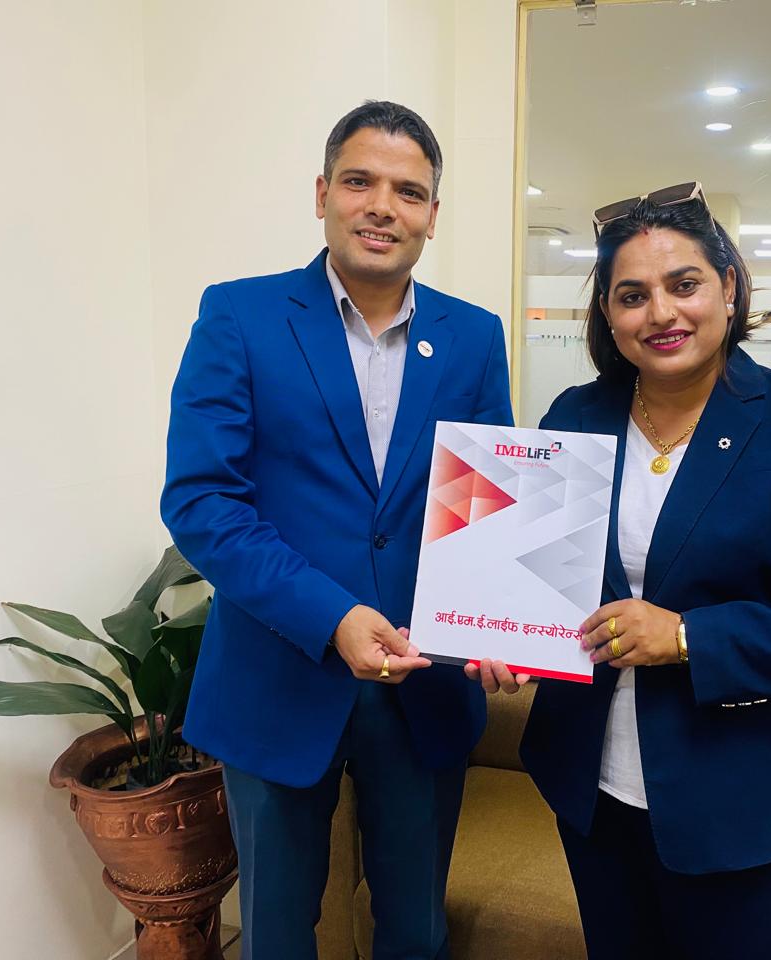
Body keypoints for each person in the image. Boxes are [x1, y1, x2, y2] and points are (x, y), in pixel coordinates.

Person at [160, 100, 513, 960]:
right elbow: (203, 501)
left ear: (433, 214)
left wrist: (503, 617)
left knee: (416, 930)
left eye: (408, 191)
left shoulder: (473, 336)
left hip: (424, 685)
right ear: (322, 194)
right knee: (277, 932)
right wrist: (333, 616)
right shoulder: (239, 316)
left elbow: (487, 502)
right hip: (278, 677)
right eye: (360, 182)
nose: (382, 206)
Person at [508, 182, 771, 958]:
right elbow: (539, 579)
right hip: (595, 788)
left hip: (746, 800)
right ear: (608, 314)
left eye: (683, 285)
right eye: (632, 296)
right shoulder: (575, 417)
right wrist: (506, 635)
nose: (661, 313)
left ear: (729, 288)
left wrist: (687, 637)